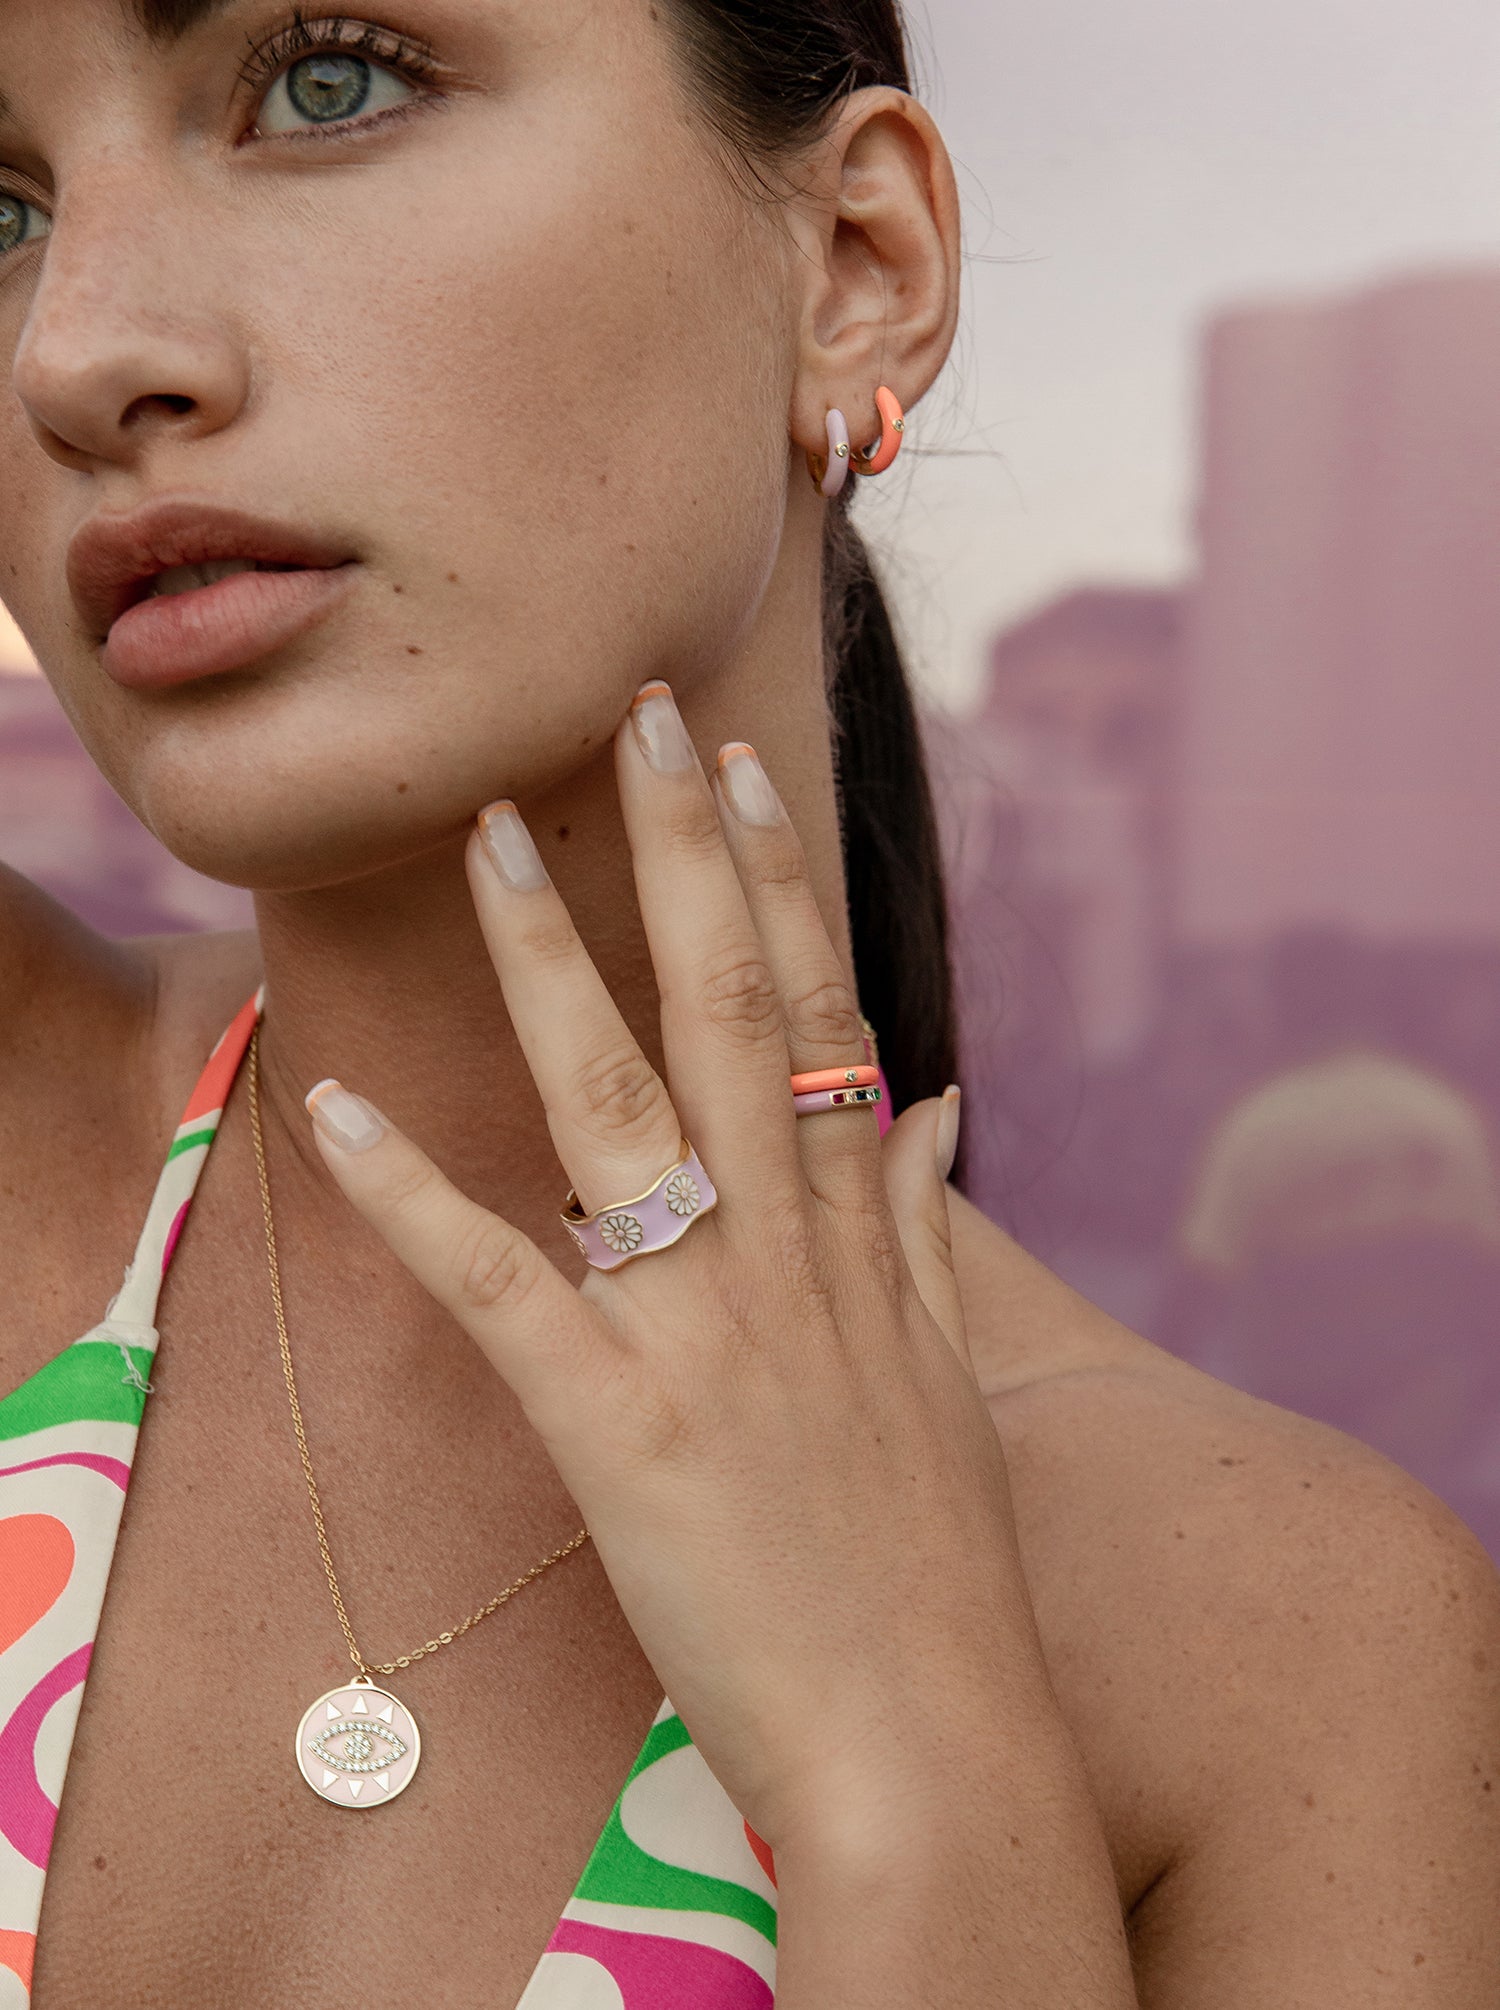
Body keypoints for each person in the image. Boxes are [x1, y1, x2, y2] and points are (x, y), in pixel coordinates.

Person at [0, 3, 1496, 2004]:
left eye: (328, 79)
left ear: (857, 269)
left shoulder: (1273, 1630)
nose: (77, 352)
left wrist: (921, 1790)